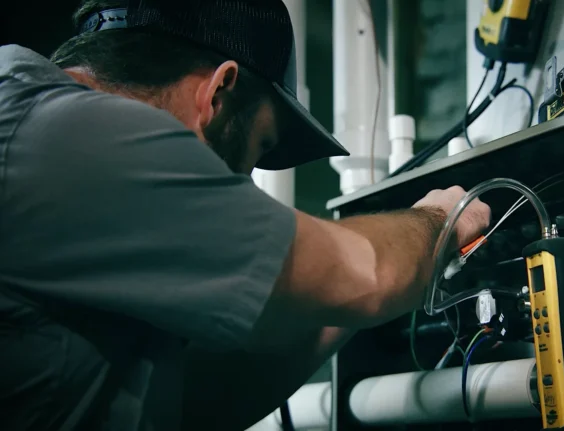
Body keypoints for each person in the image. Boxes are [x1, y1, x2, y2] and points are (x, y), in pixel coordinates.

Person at [0, 0, 490, 430]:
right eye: (257, 150)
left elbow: (190, 406)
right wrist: (441, 218)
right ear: (217, 94)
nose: (245, 184)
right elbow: (368, 271)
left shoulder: (38, 134)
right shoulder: (84, 139)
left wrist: (340, 305)